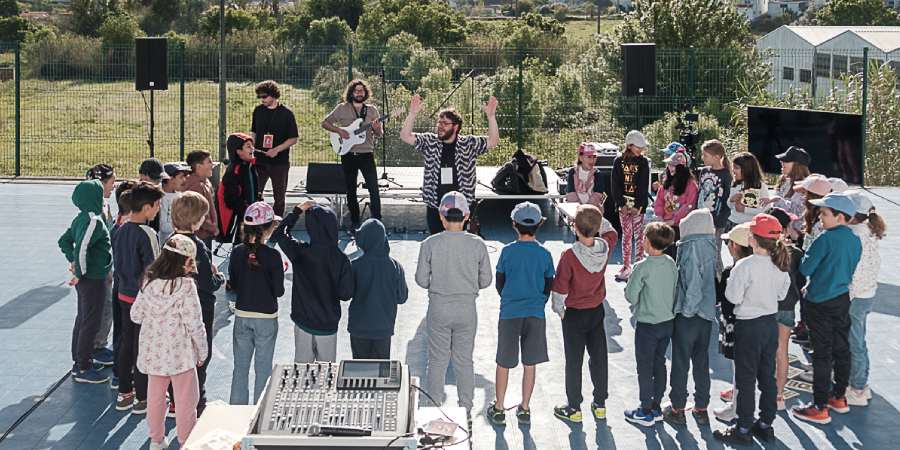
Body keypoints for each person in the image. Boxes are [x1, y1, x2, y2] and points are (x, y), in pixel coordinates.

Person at [714, 214, 791, 445]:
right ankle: (766, 423)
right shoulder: (779, 266)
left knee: (746, 379)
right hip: (769, 324)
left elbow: (732, 296)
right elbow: (781, 294)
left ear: (752, 239)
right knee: (766, 375)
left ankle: (744, 428)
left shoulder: (744, 266)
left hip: (748, 326)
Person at [415, 192, 492, 410]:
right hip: (467, 309)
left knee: (437, 361)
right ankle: (465, 407)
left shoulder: (430, 244)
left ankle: (433, 407)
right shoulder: (477, 244)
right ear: (466, 215)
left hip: (439, 307)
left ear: (441, 216)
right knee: (464, 361)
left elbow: (421, 280)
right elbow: (486, 281)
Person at [131, 234, 207, 450]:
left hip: (154, 353)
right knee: (186, 400)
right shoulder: (186, 287)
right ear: (185, 261)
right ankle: (186, 441)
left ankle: (156, 440)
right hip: (180, 355)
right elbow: (195, 323)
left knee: (155, 398)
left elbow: (136, 315)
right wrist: (202, 351)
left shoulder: (149, 282)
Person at [792, 192, 862, 424]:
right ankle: (838, 397)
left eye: (824, 213)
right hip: (842, 298)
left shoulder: (825, 239)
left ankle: (820, 405)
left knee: (822, 353)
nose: (820, 217)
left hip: (819, 301)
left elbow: (806, 268)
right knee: (842, 348)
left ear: (840, 216)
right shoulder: (855, 239)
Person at [485, 202, 555, 426]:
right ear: (540, 224)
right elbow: (548, 284)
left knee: (503, 362)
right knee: (530, 363)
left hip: (510, 313)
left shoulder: (507, 252)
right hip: (535, 313)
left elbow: (500, 282)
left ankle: (499, 407)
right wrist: (538, 301)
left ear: (514, 224)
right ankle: (524, 408)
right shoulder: (545, 254)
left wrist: (509, 299)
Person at [550, 204, 618, 423]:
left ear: (575, 228)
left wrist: (559, 310)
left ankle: (574, 407)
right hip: (596, 311)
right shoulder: (605, 247)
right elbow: (611, 232)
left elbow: (560, 287)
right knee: (599, 357)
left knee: (574, 360)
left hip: (574, 314)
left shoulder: (569, 255)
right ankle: (600, 404)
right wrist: (598, 216)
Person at [399, 94, 500, 234]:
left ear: (456, 126)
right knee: (436, 242)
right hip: (435, 205)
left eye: (444, 123)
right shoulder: (430, 141)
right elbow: (405, 136)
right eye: (439, 123)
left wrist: (491, 117)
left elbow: (493, 141)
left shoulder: (468, 143)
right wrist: (412, 114)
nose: (440, 126)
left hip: (461, 205)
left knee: (459, 245)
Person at [273, 201, 353, 363]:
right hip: (327, 325)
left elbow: (280, 233)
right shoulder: (341, 259)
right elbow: (346, 294)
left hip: (303, 322)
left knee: (301, 373)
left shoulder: (300, 252)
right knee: (327, 374)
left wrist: (296, 211)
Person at [113, 181, 164, 414]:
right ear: (146, 207)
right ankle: (142, 397)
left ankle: (125, 392)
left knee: (125, 343)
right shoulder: (148, 233)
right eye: (157, 205)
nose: (158, 210)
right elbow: (155, 270)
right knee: (142, 347)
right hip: (143, 300)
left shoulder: (121, 229)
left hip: (123, 294)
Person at [171, 192, 224, 413]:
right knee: (201, 353)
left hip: (174, 305)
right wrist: (218, 277)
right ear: (195, 220)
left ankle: (175, 400)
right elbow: (207, 283)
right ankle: (197, 400)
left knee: (179, 352)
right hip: (200, 305)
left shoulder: (170, 242)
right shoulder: (197, 246)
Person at [664, 208, 717, 425]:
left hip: (689, 315)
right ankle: (702, 406)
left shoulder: (690, 248)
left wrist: (685, 312)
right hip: (706, 315)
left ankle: (677, 407)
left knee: (680, 361)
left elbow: (693, 283)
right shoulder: (711, 247)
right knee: (701, 360)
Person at [58, 179, 114, 384]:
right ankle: (83, 366)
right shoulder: (93, 221)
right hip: (93, 278)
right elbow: (82, 248)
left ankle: (80, 360)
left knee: (83, 318)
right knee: (91, 321)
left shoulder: (80, 218)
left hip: (88, 277)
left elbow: (64, 241)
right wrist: (79, 271)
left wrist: (72, 261)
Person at [229, 202, 284, 404]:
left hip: (242, 315)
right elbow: (279, 291)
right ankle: (260, 411)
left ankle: (236, 411)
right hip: (266, 317)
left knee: (240, 367)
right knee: (263, 368)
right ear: (268, 228)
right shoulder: (273, 256)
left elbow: (233, 285)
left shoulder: (236, 252)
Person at [623, 222, 678, 426]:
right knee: (659, 362)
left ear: (646, 240)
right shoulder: (671, 263)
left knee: (644, 367)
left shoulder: (642, 267)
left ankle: (645, 409)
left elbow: (631, 296)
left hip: (647, 324)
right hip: (667, 322)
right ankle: (656, 405)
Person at [321, 79, 385, 231]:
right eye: (356, 91)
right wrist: (339, 131)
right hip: (348, 153)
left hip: (366, 153)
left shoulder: (372, 110)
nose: (359, 93)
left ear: (366, 93)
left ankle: (377, 221)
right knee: (351, 189)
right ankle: (355, 222)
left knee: (373, 188)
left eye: (362, 91)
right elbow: (325, 123)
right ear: (351, 92)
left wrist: (376, 128)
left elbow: (380, 134)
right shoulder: (342, 108)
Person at [844, 190, 885, 406]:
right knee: (858, 339)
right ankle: (860, 384)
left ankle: (858, 387)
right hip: (866, 293)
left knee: (855, 341)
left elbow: (856, 270)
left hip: (855, 296)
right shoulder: (867, 230)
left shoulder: (854, 234)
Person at [348, 219, 408, 359]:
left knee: (359, 372)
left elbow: (346, 292)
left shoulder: (354, 266)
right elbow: (402, 298)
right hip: (383, 329)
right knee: (381, 374)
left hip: (359, 328)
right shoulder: (395, 266)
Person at [712, 223, 753, 422]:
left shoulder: (731, 271)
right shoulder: (762, 267)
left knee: (739, 369)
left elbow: (723, 300)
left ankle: (736, 409)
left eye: (729, 242)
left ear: (735, 247)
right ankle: (742, 405)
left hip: (735, 327)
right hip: (757, 326)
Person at [767, 207, 805, 412]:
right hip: (788, 307)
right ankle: (779, 396)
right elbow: (802, 278)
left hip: (765, 307)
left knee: (758, 349)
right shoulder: (797, 253)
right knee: (782, 349)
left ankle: (743, 388)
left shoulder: (766, 252)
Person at [84, 164, 117, 367]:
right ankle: (94, 347)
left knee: (106, 306)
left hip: (105, 265)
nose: (114, 186)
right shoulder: (92, 212)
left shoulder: (104, 205)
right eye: (112, 182)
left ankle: (98, 344)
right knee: (99, 308)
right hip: (97, 269)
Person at [250, 80, 299, 217]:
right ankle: (257, 222)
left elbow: (293, 138)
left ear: (273, 95)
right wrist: (251, 145)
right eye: (259, 97)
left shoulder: (287, 113)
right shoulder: (258, 110)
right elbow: (253, 131)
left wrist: (277, 149)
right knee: (254, 193)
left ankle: (277, 225)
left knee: (279, 198)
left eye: (264, 96)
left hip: (279, 162)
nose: (262, 100)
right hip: (259, 159)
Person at [611, 131, 651, 282]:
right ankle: (626, 266)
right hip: (624, 207)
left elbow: (643, 185)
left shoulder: (643, 162)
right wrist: (621, 204)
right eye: (638, 146)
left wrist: (639, 206)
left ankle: (638, 267)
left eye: (642, 146)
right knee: (626, 236)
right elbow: (615, 185)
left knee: (639, 236)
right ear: (629, 145)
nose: (641, 149)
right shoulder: (618, 161)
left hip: (638, 208)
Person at [695, 140, 732, 276]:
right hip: (701, 219)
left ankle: (719, 282)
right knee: (701, 253)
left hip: (717, 222)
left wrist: (720, 222)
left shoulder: (726, 176)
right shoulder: (704, 171)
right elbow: (700, 193)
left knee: (714, 254)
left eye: (705, 155)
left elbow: (727, 201)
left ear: (717, 157)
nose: (702, 158)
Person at [217, 132, 262, 242]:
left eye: (252, 145)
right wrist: (246, 211)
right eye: (248, 146)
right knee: (241, 247)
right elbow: (230, 199)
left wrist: (259, 200)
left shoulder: (250, 166)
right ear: (238, 151)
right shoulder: (234, 171)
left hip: (251, 215)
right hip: (241, 219)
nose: (252, 148)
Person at [653, 152, 698, 259]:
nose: (670, 167)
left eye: (673, 165)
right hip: (665, 226)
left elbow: (690, 205)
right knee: (664, 255)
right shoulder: (666, 182)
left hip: (681, 227)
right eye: (669, 164)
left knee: (678, 256)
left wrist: (674, 220)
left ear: (682, 167)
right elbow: (659, 201)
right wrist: (659, 216)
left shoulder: (691, 184)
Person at [765, 146, 811, 240]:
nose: (781, 162)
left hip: (796, 236)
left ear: (797, 165)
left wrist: (778, 200)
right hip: (778, 232)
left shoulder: (806, 187)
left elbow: (799, 214)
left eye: (786, 160)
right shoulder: (783, 180)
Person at [183, 150, 219, 249]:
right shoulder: (196, 186)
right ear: (198, 166)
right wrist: (212, 227)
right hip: (200, 235)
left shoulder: (205, 182)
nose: (213, 165)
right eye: (209, 162)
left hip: (205, 233)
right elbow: (198, 213)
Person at [727, 152, 770, 228]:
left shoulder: (760, 186)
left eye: (736, 168)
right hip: (732, 222)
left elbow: (765, 210)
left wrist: (744, 209)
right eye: (733, 167)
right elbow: (730, 206)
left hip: (750, 225)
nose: (733, 170)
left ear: (747, 169)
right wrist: (731, 200)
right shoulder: (735, 183)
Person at [565, 142, 609, 209]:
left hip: (593, 211)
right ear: (581, 158)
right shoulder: (572, 172)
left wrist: (586, 209)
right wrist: (579, 209)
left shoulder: (597, 174)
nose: (592, 160)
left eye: (594, 157)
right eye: (589, 157)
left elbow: (598, 194)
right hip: (576, 211)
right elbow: (570, 193)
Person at [158, 162, 191, 244]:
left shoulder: (180, 196)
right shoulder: (158, 197)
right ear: (170, 179)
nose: (184, 180)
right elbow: (164, 226)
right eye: (181, 177)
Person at [138, 158, 169, 231]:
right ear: (143, 176)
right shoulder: (135, 194)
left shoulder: (157, 192)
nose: (158, 183)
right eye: (155, 179)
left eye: (160, 179)